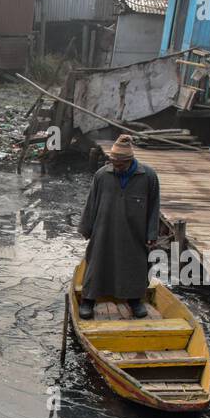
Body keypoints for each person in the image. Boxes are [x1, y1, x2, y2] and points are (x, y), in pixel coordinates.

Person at [77, 134, 161, 320]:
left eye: (120, 164)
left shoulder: (148, 176)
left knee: (135, 264)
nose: (115, 167)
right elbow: (91, 203)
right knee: (97, 262)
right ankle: (88, 300)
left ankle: (134, 300)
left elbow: (154, 206)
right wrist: (86, 228)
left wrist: (152, 233)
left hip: (135, 232)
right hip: (104, 230)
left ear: (129, 161)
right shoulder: (102, 175)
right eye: (113, 163)